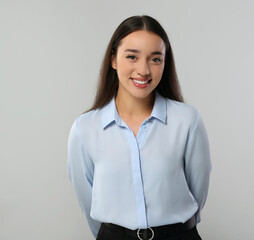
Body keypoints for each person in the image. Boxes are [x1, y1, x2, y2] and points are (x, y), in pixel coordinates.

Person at [67, 15, 211, 240]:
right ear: (113, 59)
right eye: (132, 57)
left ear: (165, 62)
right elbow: (88, 201)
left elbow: (198, 193)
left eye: (155, 59)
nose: (143, 70)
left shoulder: (187, 120)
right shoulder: (85, 129)